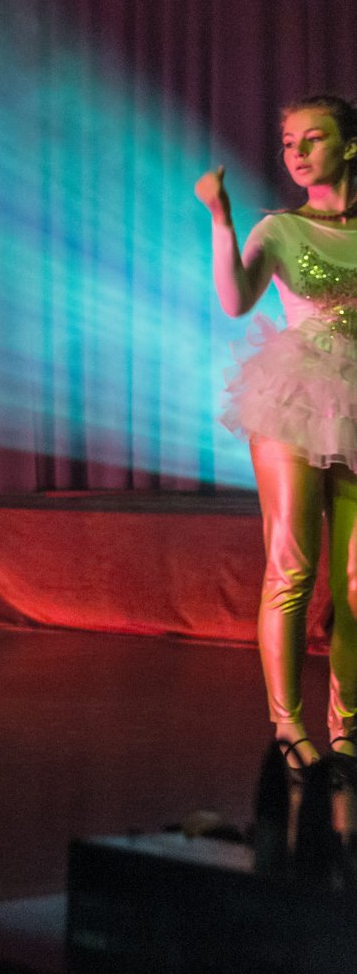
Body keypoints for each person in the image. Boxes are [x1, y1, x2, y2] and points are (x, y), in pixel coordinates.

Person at [202, 94, 357, 771]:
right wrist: (222, 219)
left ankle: (347, 726)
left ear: (349, 146)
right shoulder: (281, 228)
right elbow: (236, 301)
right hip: (296, 396)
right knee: (292, 565)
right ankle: (288, 725)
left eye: (312, 139)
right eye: (289, 142)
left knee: (356, 584)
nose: (297, 152)